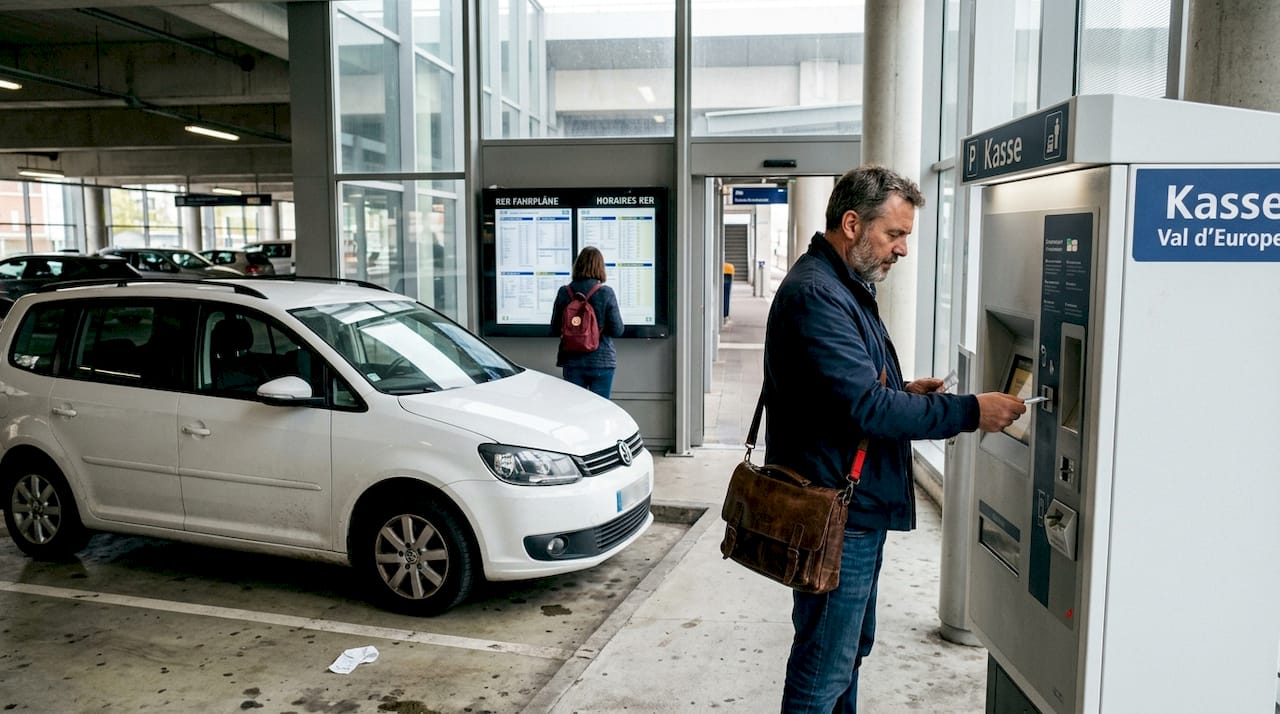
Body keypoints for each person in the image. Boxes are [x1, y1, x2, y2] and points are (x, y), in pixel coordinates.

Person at [763, 165, 1027, 713]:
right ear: (852, 224)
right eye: (895, 234)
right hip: (837, 514)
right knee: (823, 668)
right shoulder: (818, 294)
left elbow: (840, 394)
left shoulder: (842, 286)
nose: (903, 249)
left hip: (849, 505)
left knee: (845, 654)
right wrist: (971, 411)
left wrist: (905, 391)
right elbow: (869, 408)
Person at [550, 246, 625, 398]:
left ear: (577, 265)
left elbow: (555, 328)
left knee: (574, 407)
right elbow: (617, 330)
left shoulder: (564, 292)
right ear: (600, 267)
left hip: (572, 361)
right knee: (601, 408)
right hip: (602, 360)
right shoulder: (606, 292)